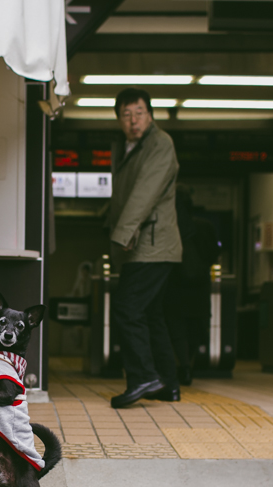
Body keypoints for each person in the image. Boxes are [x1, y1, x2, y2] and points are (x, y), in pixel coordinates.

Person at [106, 88, 183, 408]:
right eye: (126, 115)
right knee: (151, 315)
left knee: (127, 308)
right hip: (145, 243)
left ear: (150, 114)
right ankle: (168, 384)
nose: (133, 120)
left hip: (150, 244)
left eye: (138, 113)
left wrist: (121, 235)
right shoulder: (127, 148)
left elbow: (144, 193)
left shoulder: (159, 143)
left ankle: (143, 377)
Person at [164, 187, 220, 389]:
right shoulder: (205, 226)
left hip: (175, 284)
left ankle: (183, 365)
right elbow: (214, 253)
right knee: (196, 327)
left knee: (177, 328)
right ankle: (190, 365)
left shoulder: (171, 226)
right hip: (200, 285)